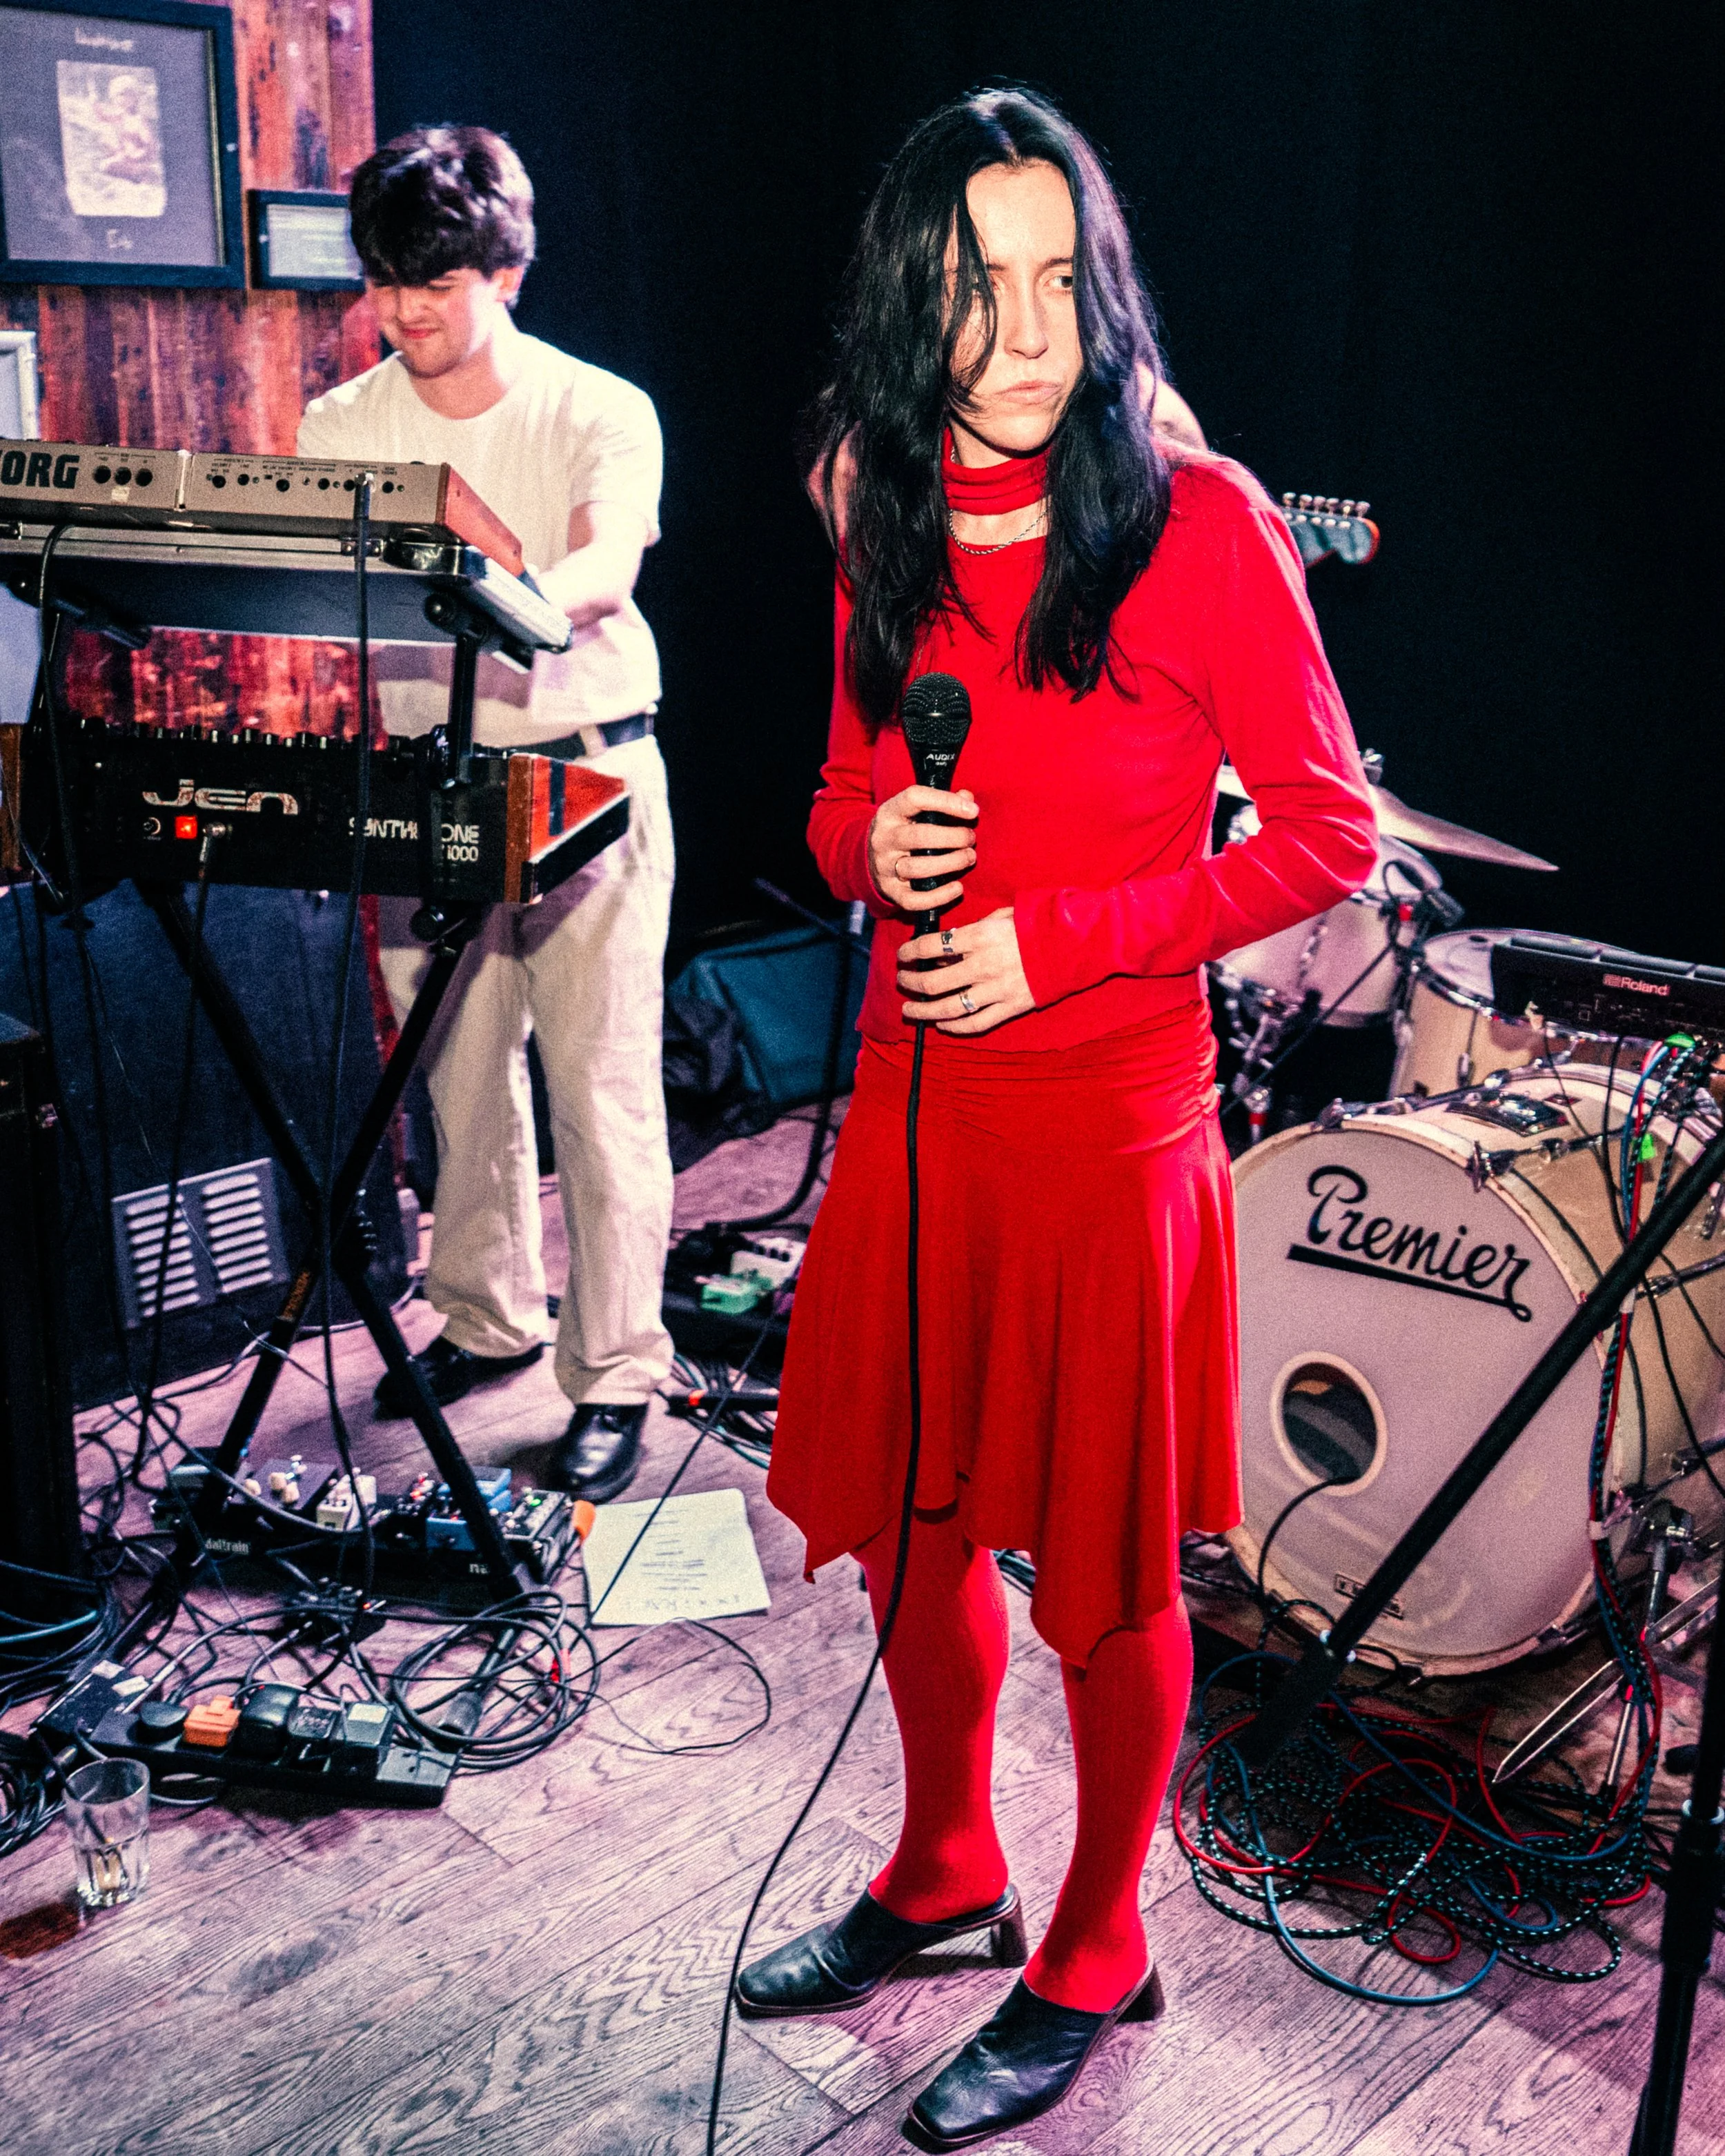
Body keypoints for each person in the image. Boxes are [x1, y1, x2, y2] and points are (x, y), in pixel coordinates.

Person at [736, 90, 1377, 2149]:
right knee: (911, 1521)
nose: (1022, 337)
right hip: (917, 1111)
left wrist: (1069, 935)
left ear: (1097, 289)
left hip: (1106, 1121)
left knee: (1102, 1570)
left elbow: (1324, 835)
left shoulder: (1199, 521)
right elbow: (833, 815)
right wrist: (881, 846)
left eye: (1053, 284)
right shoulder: (880, 501)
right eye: (970, 290)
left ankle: (1095, 1937)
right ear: (905, 308)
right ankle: (944, 1870)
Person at [297, 127, 676, 1503]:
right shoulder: (340, 424)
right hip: (426, 781)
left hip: (585, 768)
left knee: (601, 1091)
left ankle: (616, 1369)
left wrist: (488, 573)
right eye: (385, 280)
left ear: (505, 269)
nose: (403, 311)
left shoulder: (598, 406)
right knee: (459, 1084)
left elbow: (603, 564)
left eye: (435, 282)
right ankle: (485, 1318)